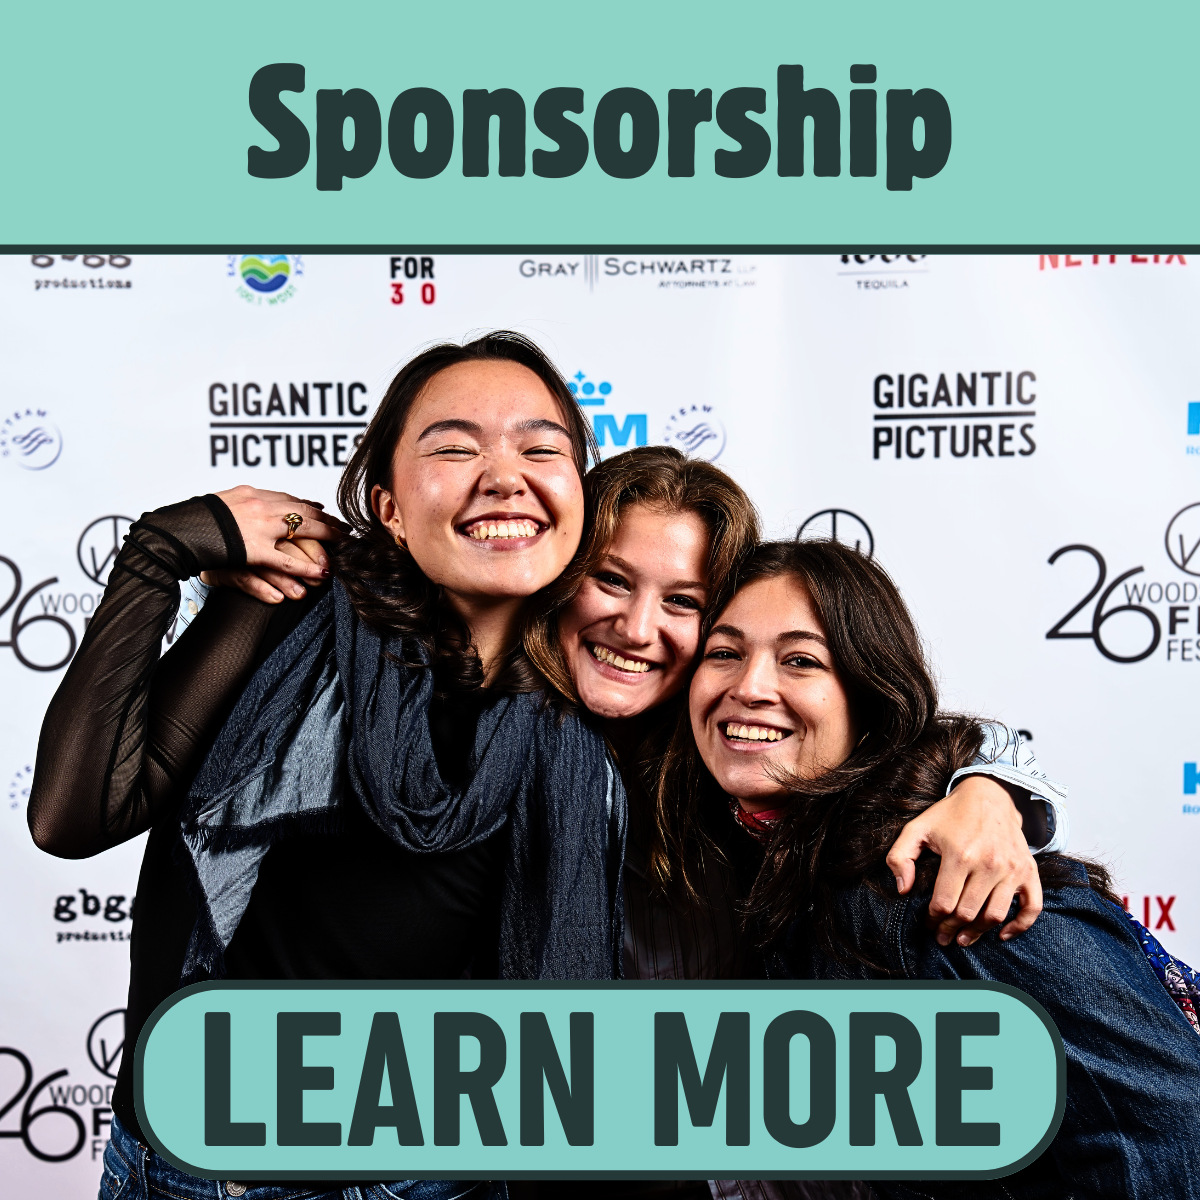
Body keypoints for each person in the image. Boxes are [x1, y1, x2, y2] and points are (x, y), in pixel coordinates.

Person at [29, 332, 626, 1200]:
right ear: (386, 504)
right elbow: (74, 814)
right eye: (455, 447)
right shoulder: (293, 618)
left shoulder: (603, 697)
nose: (505, 475)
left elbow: (787, 748)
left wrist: (904, 801)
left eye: (542, 448)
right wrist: (159, 552)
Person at [670, 538, 1200, 1197]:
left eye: (800, 660)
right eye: (724, 652)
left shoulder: (942, 887)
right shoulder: (774, 873)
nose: (749, 687)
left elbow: (1173, 1129)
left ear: (867, 699)